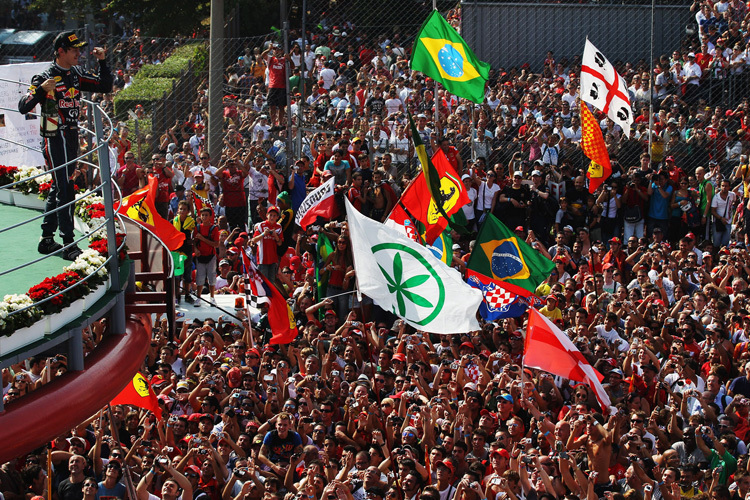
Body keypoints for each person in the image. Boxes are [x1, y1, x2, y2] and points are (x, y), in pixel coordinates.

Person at [19, 31, 112, 260]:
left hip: (71, 137)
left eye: (79, 49)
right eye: (74, 50)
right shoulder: (45, 76)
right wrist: (42, 90)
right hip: (54, 136)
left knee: (60, 187)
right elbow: (24, 106)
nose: (78, 53)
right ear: (61, 52)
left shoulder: (77, 74)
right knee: (66, 188)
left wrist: (102, 61)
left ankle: (47, 239)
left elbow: (104, 85)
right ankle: (69, 243)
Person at [193, 207, 220, 306]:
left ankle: (212, 298)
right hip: (200, 256)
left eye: (206, 215)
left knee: (211, 277)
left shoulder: (214, 228)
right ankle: (198, 298)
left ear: (210, 217)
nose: (204, 217)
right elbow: (194, 242)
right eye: (202, 215)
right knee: (200, 277)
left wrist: (202, 239)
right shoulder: (198, 228)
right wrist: (195, 249)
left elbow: (216, 244)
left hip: (211, 256)